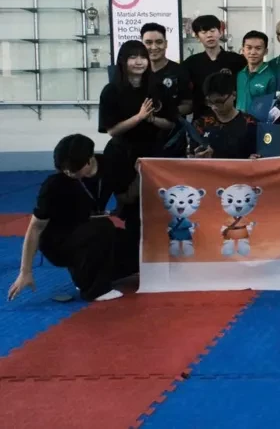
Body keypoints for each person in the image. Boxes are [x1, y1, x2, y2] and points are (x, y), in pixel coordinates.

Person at [7, 135, 139, 303]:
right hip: (58, 241)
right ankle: (94, 291)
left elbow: (126, 197)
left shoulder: (109, 166)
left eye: (74, 169)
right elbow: (35, 228)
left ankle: (85, 276)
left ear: (89, 160)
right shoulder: (53, 185)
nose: (69, 173)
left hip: (88, 229)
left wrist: (140, 176)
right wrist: (25, 272)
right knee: (103, 227)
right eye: (64, 169)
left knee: (133, 248)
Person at [99, 40, 175, 165]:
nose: (139, 62)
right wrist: (139, 117)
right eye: (133, 57)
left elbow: (171, 124)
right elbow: (112, 131)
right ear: (123, 61)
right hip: (121, 154)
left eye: (143, 57)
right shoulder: (111, 90)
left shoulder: (158, 88)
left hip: (154, 153)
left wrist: (152, 119)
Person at [182, 15, 247, 119]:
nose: (209, 35)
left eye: (212, 31)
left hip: (232, 118)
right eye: (204, 32)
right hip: (202, 119)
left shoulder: (237, 60)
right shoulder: (191, 63)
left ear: (220, 32)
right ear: (197, 37)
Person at [190, 72, 257, 160]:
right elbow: (190, 156)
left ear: (233, 95)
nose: (214, 107)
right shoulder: (200, 124)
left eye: (219, 102)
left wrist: (252, 160)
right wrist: (196, 158)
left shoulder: (250, 123)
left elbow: (258, 156)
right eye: (210, 102)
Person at [141, 22, 193, 117]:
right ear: (142, 45)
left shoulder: (180, 71)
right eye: (148, 42)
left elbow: (189, 105)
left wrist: (168, 113)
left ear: (166, 44)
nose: (154, 47)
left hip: (173, 126)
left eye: (159, 42)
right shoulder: (136, 71)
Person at [235, 30, 276, 113]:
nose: (253, 52)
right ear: (243, 50)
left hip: (259, 120)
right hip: (239, 119)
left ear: (265, 51)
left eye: (258, 48)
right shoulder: (240, 74)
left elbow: (273, 107)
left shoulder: (271, 76)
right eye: (249, 48)